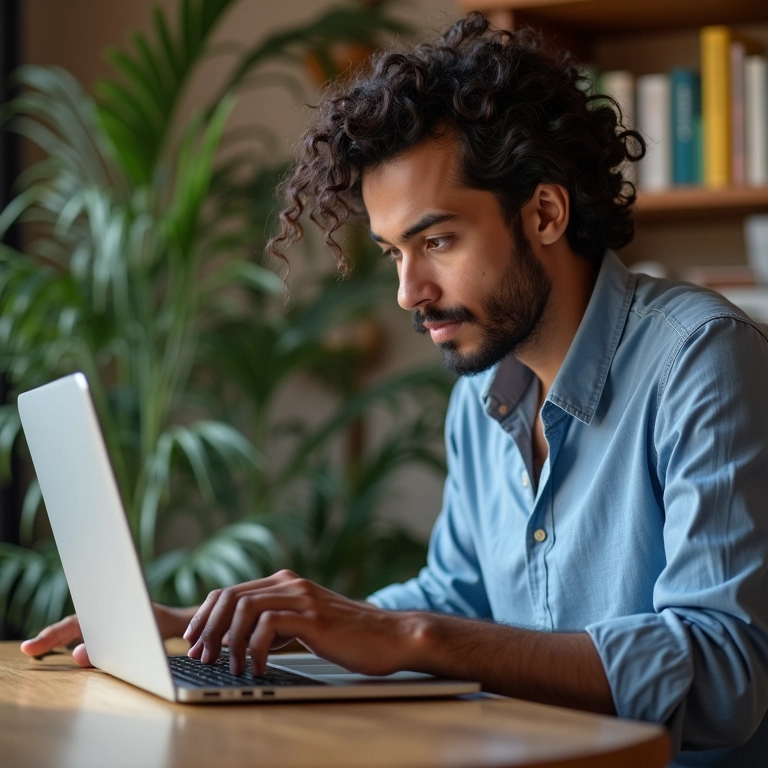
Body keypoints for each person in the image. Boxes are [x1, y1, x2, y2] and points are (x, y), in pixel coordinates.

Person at [21, 13, 768, 766]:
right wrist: (198, 627)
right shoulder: (484, 394)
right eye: (393, 253)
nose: (410, 291)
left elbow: (727, 670)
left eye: (437, 241)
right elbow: (458, 598)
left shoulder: (701, 361)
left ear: (545, 213)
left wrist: (410, 638)